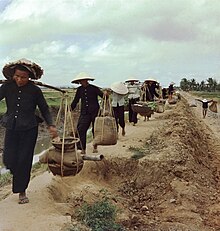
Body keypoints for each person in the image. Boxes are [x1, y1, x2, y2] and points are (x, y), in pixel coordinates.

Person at [0, 58, 58, 204]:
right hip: (11, 127)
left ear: (29, 77)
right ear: (13, 74)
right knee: (8, 158)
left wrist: (51, 124)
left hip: (29, 129)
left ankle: (22, 191)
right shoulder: (7, 87)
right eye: (17, 76)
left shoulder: (35, 91)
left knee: (24, 160)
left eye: (23, 77)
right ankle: (15, 171)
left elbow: (44, 108)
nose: (19, 80)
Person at [70, 72, 106, 154]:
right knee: (81, 129)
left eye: (83, 80)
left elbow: (103, 96)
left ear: (86, 80)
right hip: (84, 112)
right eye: (80, 81)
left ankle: (95, 146)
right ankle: (83, 148)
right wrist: (70, 108)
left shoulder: (94, 88)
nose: (82, 82)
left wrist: (106, 95)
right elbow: (76, 100)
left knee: (95, 130)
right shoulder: (79, 90)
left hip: (95, 112)